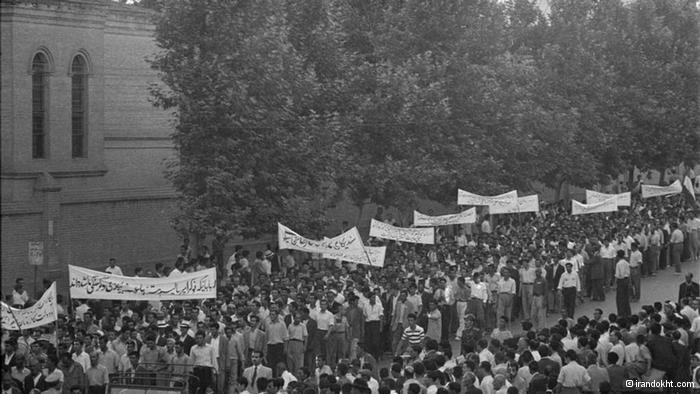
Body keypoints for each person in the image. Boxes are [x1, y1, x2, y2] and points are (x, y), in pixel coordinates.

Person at [614, 250, 631, 318]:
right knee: (626, 297)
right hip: (626, 280)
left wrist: (615, 284)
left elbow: (617, 275)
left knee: (620, 298)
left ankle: (621, 313)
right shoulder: (626, 263)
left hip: (621, 281)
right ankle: (627, 312)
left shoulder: (618, 264)